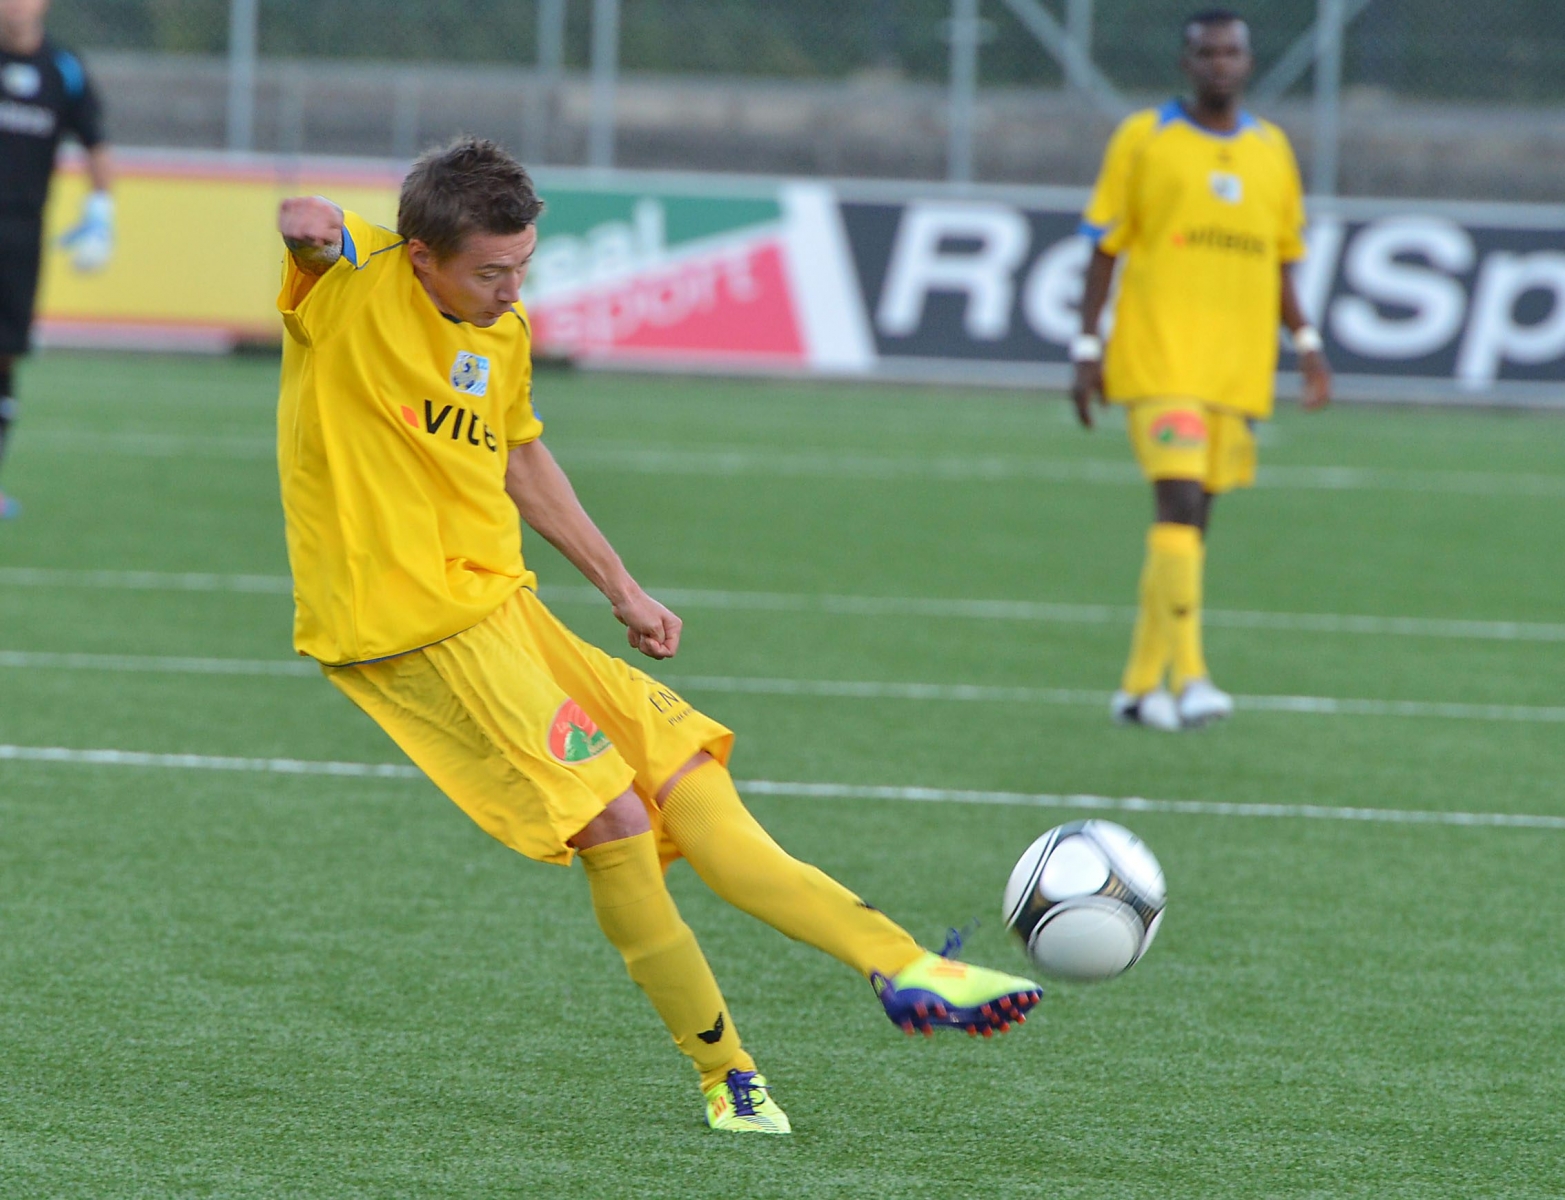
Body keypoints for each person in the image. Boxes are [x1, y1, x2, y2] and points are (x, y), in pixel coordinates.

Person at [274, 136, 1041, 1135]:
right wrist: (309, 230)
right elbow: (310, 230)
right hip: (409, 626)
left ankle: (901, 966)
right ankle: (726, 1075)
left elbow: (519, 458)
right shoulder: (354, 286)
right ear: (423, 257)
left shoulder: (497, 336)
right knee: (615, 825)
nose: (511, 290)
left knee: (689, 778)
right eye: (489, 272)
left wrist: (621, 587)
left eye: (524, 267)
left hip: (504, 608)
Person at [1070, 8, 1332, 733]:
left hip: (1235, 370)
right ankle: (1190, 678)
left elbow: (1281, 257)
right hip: (1158, 360)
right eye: (1205, 52)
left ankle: (1134, 686)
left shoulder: (1271, 150)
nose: (1219, 62)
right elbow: (1103, 245)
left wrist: (1305, 342)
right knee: (1177, 503)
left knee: (1193, 526)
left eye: (1231, 51)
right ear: (1187, 63)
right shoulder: (1143, 137)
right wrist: (1085, 348)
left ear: (1246, 62)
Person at [0, 0, 114, 519]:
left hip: (22, 234)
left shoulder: (62, 69)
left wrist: (101, 214)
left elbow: (96, 141)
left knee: (6, 354)